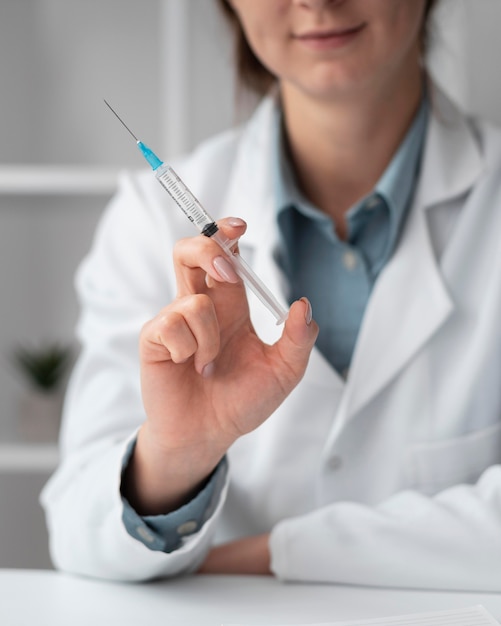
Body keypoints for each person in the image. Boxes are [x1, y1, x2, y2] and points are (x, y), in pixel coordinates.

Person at [41, 0, 501, 589]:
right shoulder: (149, 221)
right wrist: (175, 457)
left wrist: (276, 554)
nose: (317, 2)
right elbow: (80, 529)